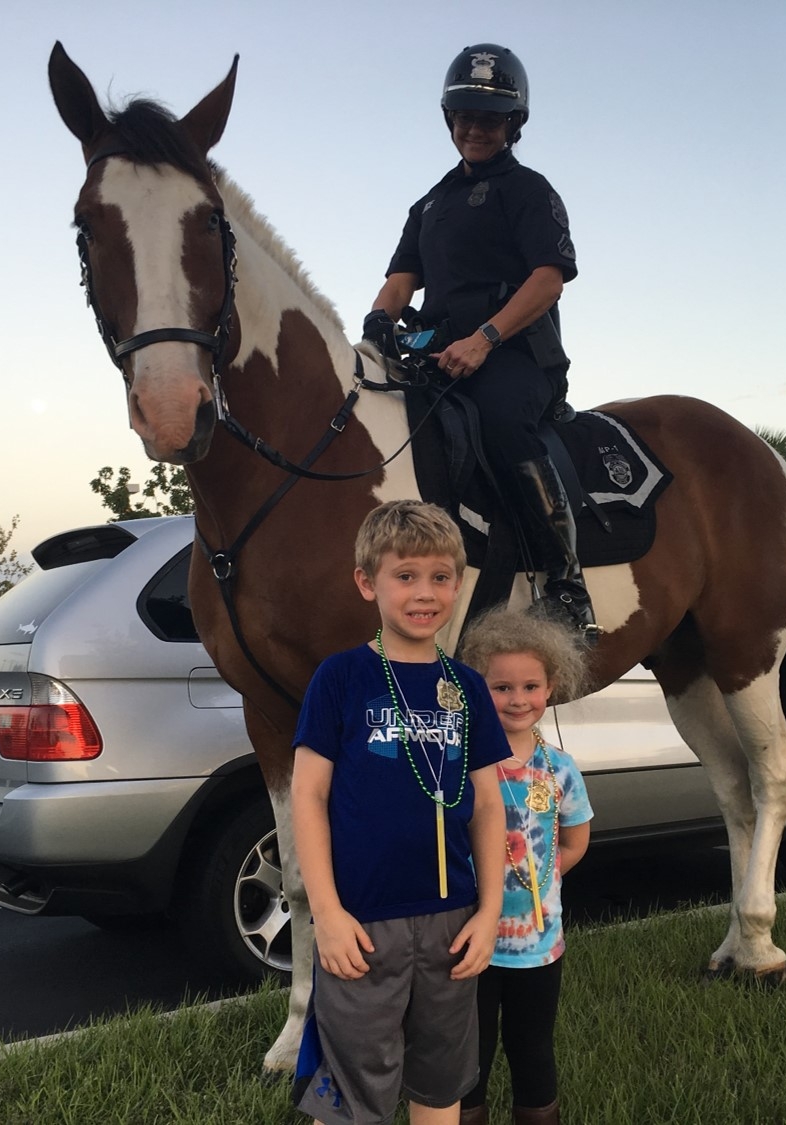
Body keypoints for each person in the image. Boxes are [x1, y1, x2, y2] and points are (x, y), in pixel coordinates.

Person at [363, 43, 597, 641]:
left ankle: (566, 583)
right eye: (465, 117)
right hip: (439, 355)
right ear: (450, 120)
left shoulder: (528, 190)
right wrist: (375, 328)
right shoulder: (429, 203)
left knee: (500, 423)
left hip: (513, 356)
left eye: (490, 119)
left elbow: (548, 279)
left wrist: (486, 338)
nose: (475, 129)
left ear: (513, 124)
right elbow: (399, 281)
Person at [291, 499, 510, 1125]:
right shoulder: (341, 678)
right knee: (358, 1086)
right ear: (368, 582)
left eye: (441, 577)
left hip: (452, 922)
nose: (426, 593)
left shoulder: (466, 686)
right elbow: (308, 796)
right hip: (362, 923)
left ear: (459, 583)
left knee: (440, 1080)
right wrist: (327, 914)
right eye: (406, 575)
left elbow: (489, 805)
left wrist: (490, 911)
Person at [455, 608, 594, 1125]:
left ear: (550, 687)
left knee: (532, 1047)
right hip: (468, 939)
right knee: (470, 1052)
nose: (517, 699)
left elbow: (576, 839)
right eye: (501, 687)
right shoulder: (465, 761)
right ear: (477, 687)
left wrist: (542, 876)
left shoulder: (559, 768)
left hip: (536, 944)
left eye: (530, 686)